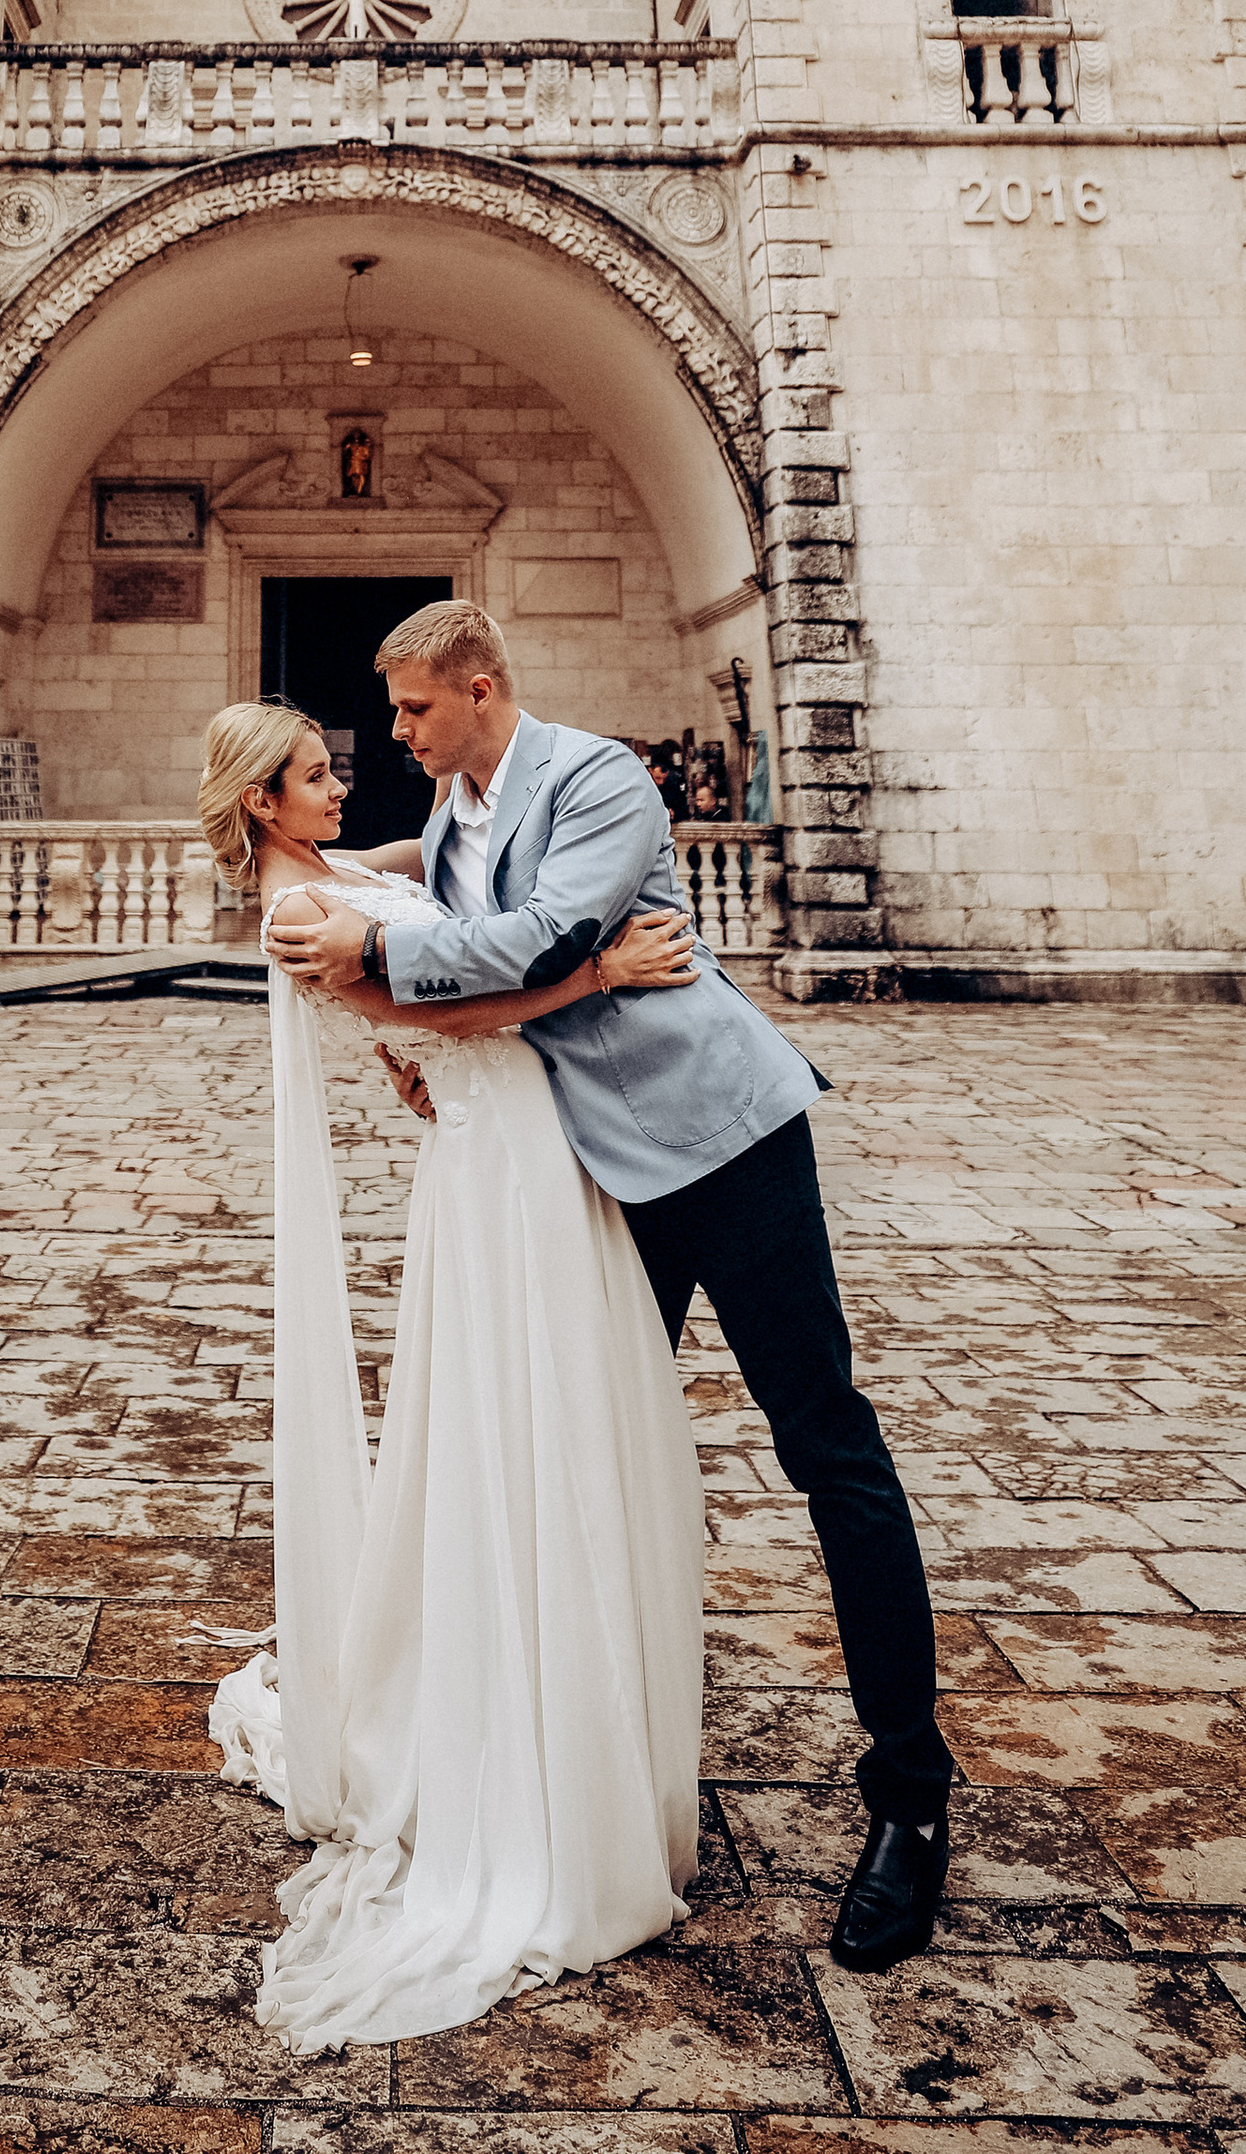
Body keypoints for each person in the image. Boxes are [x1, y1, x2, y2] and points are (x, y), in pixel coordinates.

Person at [265, 598, 956, 1978]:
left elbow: (540, 939)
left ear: (476, 687)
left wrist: (377, 956)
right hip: (590, 1178)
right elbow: (445, 902)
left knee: (828, 1444)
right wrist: (312, 894)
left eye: (412, 710)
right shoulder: (456, 812)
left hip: (721, 1144)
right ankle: (593, 1768)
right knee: (584, 1455)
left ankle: (913, 1802)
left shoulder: (600, 780)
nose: (394, 736)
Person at [201, 695, 705, 2048]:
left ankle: (556, 1692)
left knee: (559, 1420)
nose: (338, 782)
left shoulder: (332, 877)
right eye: (314, 775)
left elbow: (418, 892)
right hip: (502, 1157)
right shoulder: (301, 913)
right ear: (266, 803)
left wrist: (482, 805)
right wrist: (598, 977)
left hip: (508, 1147)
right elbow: (463, 1001)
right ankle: (528, 1739)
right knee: (524, 1424)